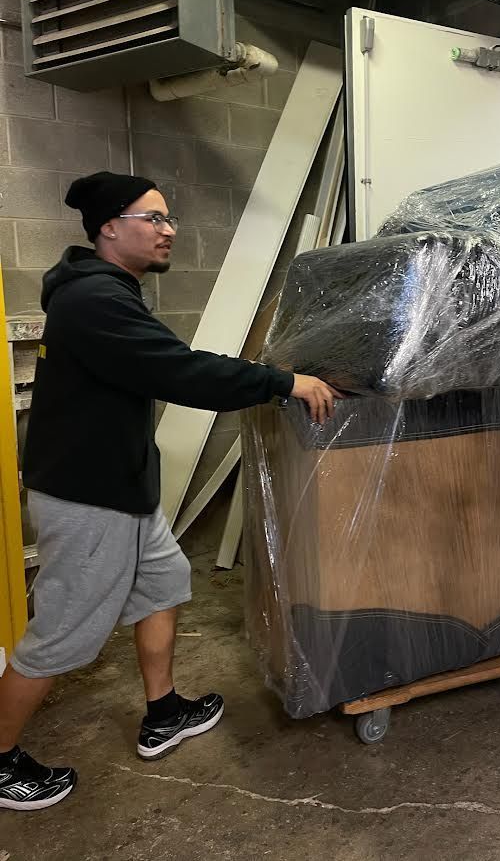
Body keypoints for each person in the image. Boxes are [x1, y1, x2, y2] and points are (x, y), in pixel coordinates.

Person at [0, 172, 341, 812]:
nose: (169, 230)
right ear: (109, 227)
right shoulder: (93, 302)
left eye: (169, 218)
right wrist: (282, 381)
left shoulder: (106, 292)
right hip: (88, 496)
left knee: (164, 582)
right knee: (63, 636)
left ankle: (163, 712)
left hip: (120, 485)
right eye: (153, 218)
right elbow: (179, 370)